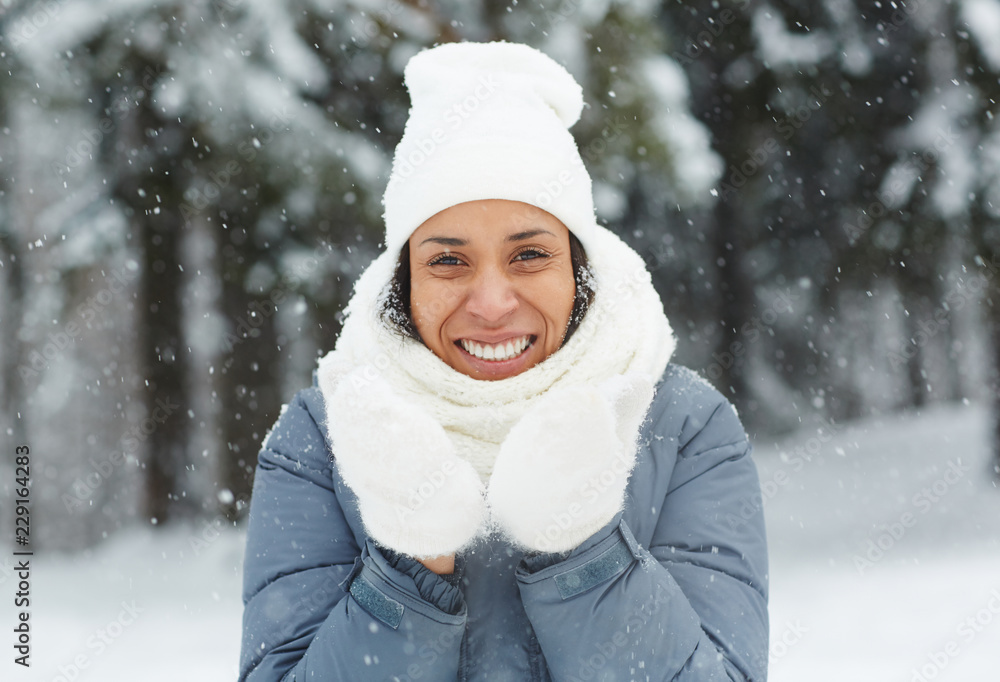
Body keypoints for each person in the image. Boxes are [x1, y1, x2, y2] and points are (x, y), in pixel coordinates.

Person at [239, 41, 768, 682]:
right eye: (447, 260)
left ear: (579, 267)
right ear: (403, 280)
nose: (491, 304)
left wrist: (581, 546)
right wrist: (412, 563)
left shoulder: (684, 428)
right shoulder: (324, 438)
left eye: (529, 255)